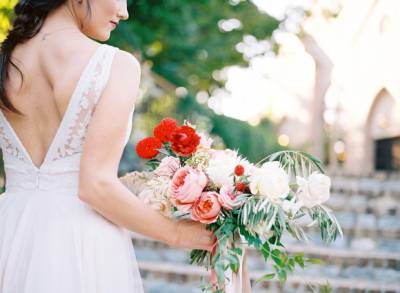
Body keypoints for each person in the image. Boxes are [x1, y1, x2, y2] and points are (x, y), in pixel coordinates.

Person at [0, 1, 213, 292]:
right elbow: (95, 186)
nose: (124, 12)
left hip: (9, 233)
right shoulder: (115, 65)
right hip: (81, 244)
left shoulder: (5, 61)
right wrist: (178, 233)